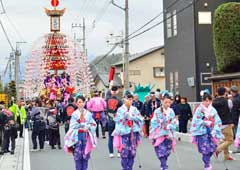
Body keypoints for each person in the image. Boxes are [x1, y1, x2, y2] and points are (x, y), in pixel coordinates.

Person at [190, 92, 223, 170]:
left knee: (213, 147)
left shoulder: (213, 110)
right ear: (203, 101)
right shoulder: (199, 109)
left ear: (211, 101)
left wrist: (215, 130)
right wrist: (204, 122)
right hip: (202, 132)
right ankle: (207, 164)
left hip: (212, 131)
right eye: (205, 101)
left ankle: (207, 160)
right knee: (205, 149)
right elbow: (195, 120)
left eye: (209, 101)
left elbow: (217, 121)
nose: (207, 102)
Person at [64, 95, 97, 170]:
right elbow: (72, 126)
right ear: (76, 104)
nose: (81, 104)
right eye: (79, 102)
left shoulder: (88, 114)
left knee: (85, 158)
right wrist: (80, 126)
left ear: (84, 103)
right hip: (77, 137)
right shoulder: (74, 114)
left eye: (82, 102)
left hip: (86, 137)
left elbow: (94, 124)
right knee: (77, 158)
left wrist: (88, 127)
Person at [112, 94, 144, 170]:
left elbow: (140, 119)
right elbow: (117, 119)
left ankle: (130, 167)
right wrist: (125, 116)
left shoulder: (135, 109)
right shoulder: (120, 109)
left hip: (133, 132)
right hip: (124, 133)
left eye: (131, 99)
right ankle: (125, 167)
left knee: (132, 152)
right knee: (124, 152)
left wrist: (133, 118)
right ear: (124, 100)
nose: (129, 101)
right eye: (128, 99)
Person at [149, 94, 178, 170]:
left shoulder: (171, 111)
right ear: (162, 102)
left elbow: (174, 121)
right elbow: (153, 122)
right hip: (160, 133)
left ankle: (164, 163)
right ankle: (164, 165)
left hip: (169, 133)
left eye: (169, 102)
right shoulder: (157, 111)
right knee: (161, 150)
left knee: (167, 151)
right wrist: (161, 123)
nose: (167, 104)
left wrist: (171, 125)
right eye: (166, 102)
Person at [212, 87, 234, 160]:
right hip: (226, 122)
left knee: (225, 140)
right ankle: (217, 150)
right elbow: (231, 108)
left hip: (218, 123)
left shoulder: (213, 102)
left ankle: (226, 156)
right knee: (230, 140)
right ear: (225, 93)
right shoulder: (228, 101)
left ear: (217, 93)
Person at [106, 86, 123, 158]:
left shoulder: (107, 100)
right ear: (117, 91)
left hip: (110, 119)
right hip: (117, 120)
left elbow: (105, 109)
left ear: (111, 91)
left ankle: (111, 153)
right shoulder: (119, 101)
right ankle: (119, 152)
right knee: (118, 136)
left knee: (110, 136)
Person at [230, 85, 240, 153]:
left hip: (236, 119)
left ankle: (238, 148)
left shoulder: (235, 100)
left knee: (237, 134)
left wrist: (233, 122)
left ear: (233, 92)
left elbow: (234, 112)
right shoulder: (238, 97)